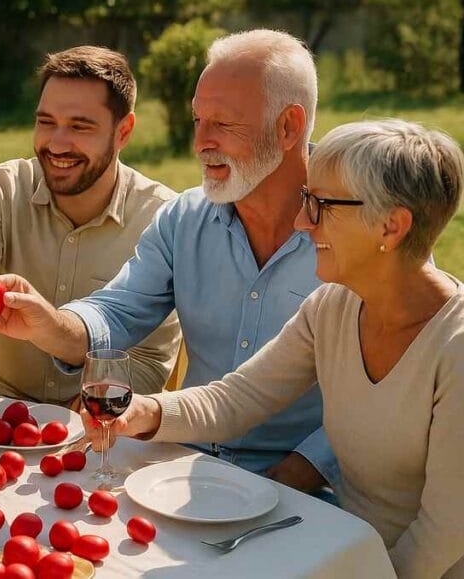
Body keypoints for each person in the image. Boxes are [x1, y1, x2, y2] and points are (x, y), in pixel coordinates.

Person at [0, 30, 338, 494]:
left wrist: (296, 475)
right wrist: (50, 325)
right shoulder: (184, 219)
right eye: (197, 120)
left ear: (288, 127)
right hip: (188, 464)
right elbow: (117, 310)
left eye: (223, 124)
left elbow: (387, 390)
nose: (201, 142)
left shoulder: (358, 227)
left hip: (312, 488)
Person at [96, 120, 464, 578]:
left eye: (321, 204)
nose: (301, 220)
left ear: (392, 225)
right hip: (332, 545)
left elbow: (446, 529)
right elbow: (238, 398)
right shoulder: (333, 306)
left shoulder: (455, 347)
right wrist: (147, 410)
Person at [0, 45, 181, 404]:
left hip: (100, 414)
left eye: (79, 126)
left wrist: (90, 406)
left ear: (123, 132)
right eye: (46, 122)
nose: (57, 144)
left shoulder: (162, 219)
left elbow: (152, 366)